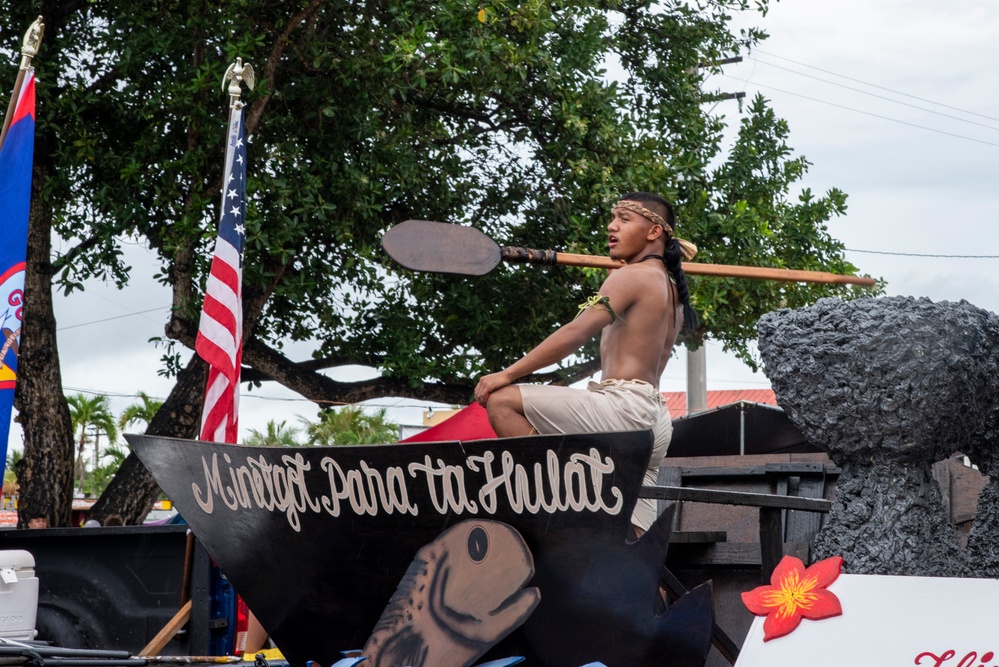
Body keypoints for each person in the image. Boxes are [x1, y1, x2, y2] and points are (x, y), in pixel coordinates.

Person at [474, 192, 697, 536]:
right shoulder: (670, 287)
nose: (612, 226)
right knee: (635, 543)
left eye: (625, 219)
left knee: (503, 401)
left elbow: (577, 331)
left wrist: (508, 373)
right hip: (655, 421)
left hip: (622, 411)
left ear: (654, 232)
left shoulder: (631, 277)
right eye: (613, 217)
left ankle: (567, 500)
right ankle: (658, 590)